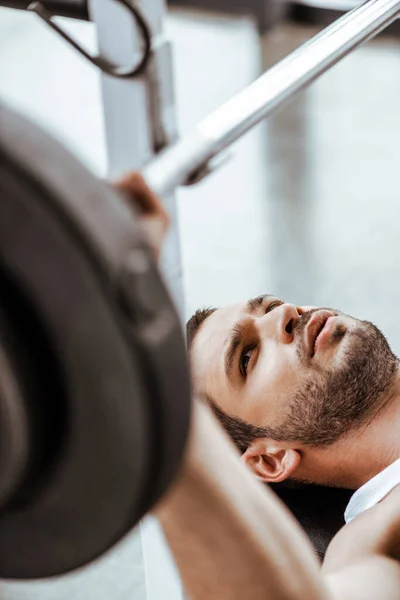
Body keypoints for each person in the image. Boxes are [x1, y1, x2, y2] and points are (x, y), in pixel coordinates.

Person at [118, 174, 400, 599]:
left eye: (269, 307)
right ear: (269, 461)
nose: (284, 313)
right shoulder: (372, 541)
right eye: (247, 357)